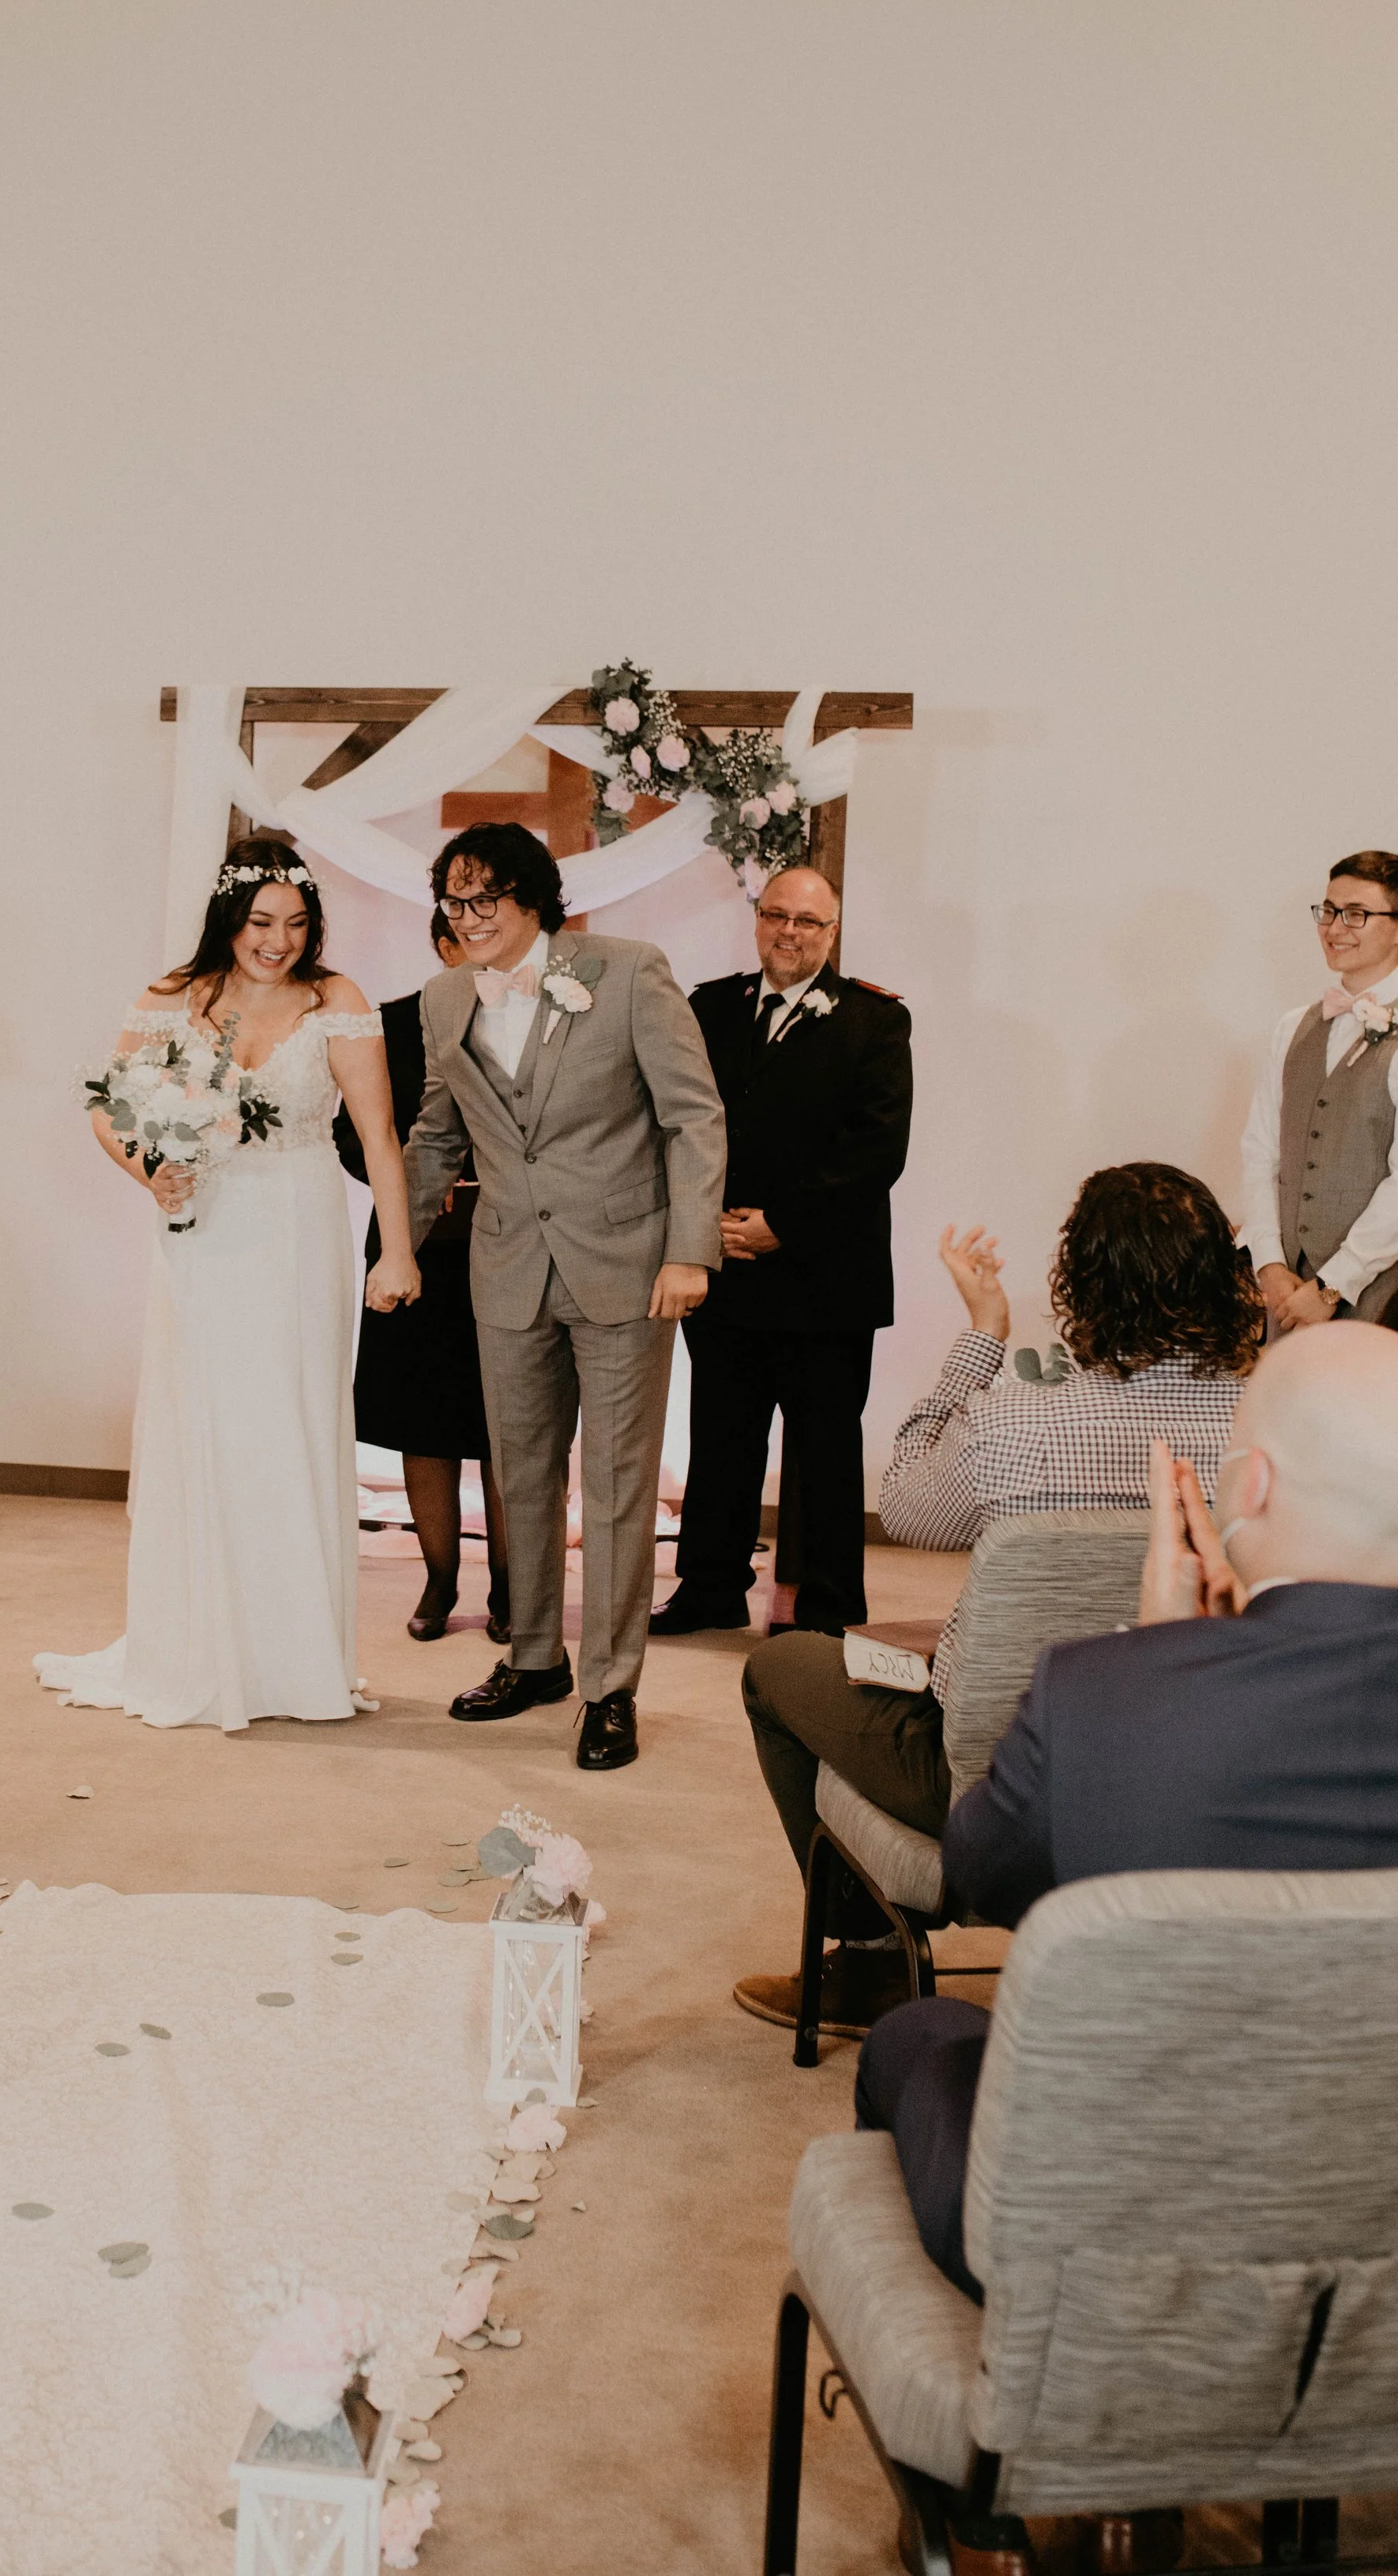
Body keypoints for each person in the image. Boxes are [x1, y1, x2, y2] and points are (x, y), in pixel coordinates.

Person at [858, 1318, 1398, 2311]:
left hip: (1113, 2237)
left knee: (914, 2034)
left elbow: (977, 1874)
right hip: (1373, 2227)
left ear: (1256, 1487)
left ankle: (980, 2430)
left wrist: (1149, 1657)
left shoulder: (1098, 1696)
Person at [734, 1164, 1266, 2035]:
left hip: (996, 1776)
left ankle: (869, 1962)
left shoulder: (1017, 1422)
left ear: (1078, 1287)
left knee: (779, 1666)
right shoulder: (1268, 1429)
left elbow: (904, 1505)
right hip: (1208, 1772)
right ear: (1221, 1277)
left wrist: (981, 1337)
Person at [36, 841, 418, 1732]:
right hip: (204, 1233)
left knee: (286, 1420)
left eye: (294, 924)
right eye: (260, 924)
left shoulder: (338, 1004)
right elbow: (108, 1104)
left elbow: (382, 1135)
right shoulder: (174, 1000)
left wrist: (393, 1254)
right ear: (228, 922)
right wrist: (148, 1170)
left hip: (299, 1228)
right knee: (205, 1418)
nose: (277, 942)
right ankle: (200, 1646)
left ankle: (294, 1657)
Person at [401, 822, 725, 1771]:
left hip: (627, 1265)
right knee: (519, 1475)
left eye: (483, 901)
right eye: (451, 905)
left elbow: (692, 1117)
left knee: (618, 1488)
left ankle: (610, 1687)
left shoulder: (626, 971)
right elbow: (436, 1137)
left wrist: (689, 1250)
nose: (465, 922)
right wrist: (394, 1245)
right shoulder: (441, 996)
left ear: (531, 900)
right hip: (506, 1270)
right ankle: (533, 1657)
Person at [657, 865, 911, 1640]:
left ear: (831, 934)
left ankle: (829, 1605)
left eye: (808, 921)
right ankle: (708, 1589)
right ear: (758, 919)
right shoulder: (710, 1007)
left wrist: (783, 1225)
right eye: (776, 916)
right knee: (721, 1440)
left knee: (826, 1449)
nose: (789, 932)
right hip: (729, 1267)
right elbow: (680, 1122)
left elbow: (876, 1151)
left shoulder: (874, 1021)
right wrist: (708, 1226)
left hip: (826, 1277)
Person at [334, 909, 511, 1644]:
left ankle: (514, 1588)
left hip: (514, 1245)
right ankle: (439, 1577)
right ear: (441, 947)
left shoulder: (536, 1012)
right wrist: (410, 1183)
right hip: (414, 1248)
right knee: (422, 1421)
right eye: (464, 937)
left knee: (511, 1423)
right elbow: (353, 1132)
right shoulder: (392, 1024)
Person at [1240, 851, 1398, 1335]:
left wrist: (1333, 1284)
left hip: (1381, 1294)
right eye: (1327, 911)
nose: (1334, 927)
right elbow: (1261, 1150)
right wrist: (1268, 1262)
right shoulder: (1293, 1027)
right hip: (1286, 1293)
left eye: (1357, 914)